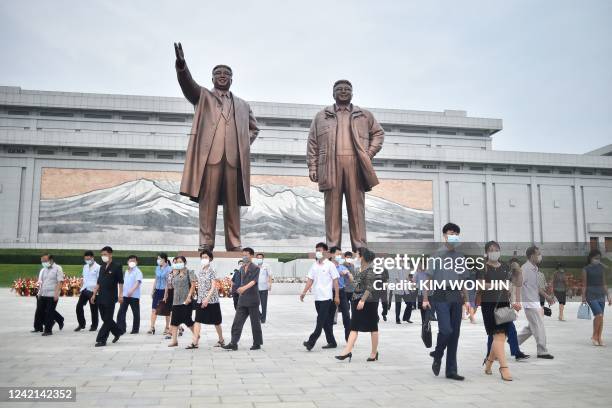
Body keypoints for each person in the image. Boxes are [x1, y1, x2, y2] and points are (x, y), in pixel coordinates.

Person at [174, 42, 260, 252]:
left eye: (227, 73)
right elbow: (188, 85)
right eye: (218, 73)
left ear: (232, 79)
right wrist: (182, 66)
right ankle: (206, 243)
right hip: (210, 158)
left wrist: (242, 143)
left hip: (233, 160)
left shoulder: (242, 104)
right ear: (212, 78)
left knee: (233, 205)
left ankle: (234, 243)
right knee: (208, 202)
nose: (222, 76)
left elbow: (254, 129)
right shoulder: (203, 96)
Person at [306, 79, 385, 250]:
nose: (343, 91)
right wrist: (312, 166)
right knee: (332, 209)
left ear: (352, 93)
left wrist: (368, 153)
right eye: (339, 89)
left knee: (356, 208)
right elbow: (312, 142)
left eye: (347, 89)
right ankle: (333, 247)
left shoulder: (364, 115)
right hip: (329, 166)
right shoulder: (321, 116)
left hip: (356, 166)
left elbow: (378, 133)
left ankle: (360, 247)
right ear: (333, 93)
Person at [423, 222, 470, 381]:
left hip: (456, 296)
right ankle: (438, 353)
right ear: (444, 235)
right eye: (451, 233)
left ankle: (451, 370)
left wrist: (467, 301)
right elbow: (428, 279)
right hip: (440, 296)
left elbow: (463, 280)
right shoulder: (436, 255)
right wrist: (424, 299)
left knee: (455, 334)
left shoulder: (460, 257)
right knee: (447, 330)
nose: (454, 236)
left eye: (456, 233)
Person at [479, 241, 521, 381]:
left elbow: (515, 284)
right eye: (491, 249)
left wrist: (518, 270)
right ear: (486, 252)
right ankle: (504, 368)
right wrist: (499, 285)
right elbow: (480, 286)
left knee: (500, 337)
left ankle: (489, 363)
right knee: (499, 336)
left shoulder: (505, 267)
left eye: (496, 249)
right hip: (489, 306)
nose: (494, 251)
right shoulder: (483, 267)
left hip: (504, 305)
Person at [335, 247, 380, 362]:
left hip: (369, 302)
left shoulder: (371, 269)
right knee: (354, 326)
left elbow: (370, 287)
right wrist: (348, 274)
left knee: (373, 328)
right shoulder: (358, 269)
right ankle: (347, 351)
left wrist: (363, 300)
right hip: (357, 300)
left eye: (357, 255)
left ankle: (374, 353)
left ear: (362, 256)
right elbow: (356, 284)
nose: (355, 257)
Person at [484, 257, 530, 361]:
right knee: (494, 331)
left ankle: (515, 352)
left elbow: (518, 284)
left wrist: (519, 271)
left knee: (510, 330)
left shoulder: (510, 275)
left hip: (503, 306)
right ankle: (491, 354)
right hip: (493, 305)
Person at [300, 242, 340, 350]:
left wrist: (337, 296)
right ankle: (332, 342)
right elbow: (310, 280)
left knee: (320, 320)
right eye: (317, 250)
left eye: (320, 250)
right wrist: (304, 292)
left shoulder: (330, 265)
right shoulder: (314, 265)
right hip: (317, 297)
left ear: (326, 252)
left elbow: (335, 281)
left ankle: (311, 342)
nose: (318, 252)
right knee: (326, 322)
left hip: (327, 298)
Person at [518, 246, 555, 359]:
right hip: (529, 301)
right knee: (539, 325)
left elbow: (536, 287)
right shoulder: (525, 269)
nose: (540, 256)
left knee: (532, 326)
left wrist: (547, 296)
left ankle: (514, 341)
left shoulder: (535, 268)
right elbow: (518, 284)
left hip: (535, 301)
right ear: (531, 256)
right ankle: (542, 351)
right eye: (538, 254)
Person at [223, 248, 263, 351]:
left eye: (246, 255)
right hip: (242, 300)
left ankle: (257, 343)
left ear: (251, 256)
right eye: (243, 255)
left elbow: (254, 281)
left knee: (255, 323)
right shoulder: (241, 268)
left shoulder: (256, 268)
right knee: (237, 322)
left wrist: (243, 288)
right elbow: (238, 282)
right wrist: (235, 289)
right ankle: (233, 343)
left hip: (253, 299)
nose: (244, 257)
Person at [189, 250, 225, 349]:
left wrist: (207, 299)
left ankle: (221, 340)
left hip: (212, 300)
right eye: (202, 257)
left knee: (216, 322)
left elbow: (213, 286)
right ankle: (195, 342)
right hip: (200, 300)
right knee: (197, 320)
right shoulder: (200, 271)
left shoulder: (212, 270)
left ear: (210, 259)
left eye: (206, 257)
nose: (204, 259)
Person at [91, 246, 124, 347]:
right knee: (105, 318)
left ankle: (101, 339)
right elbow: (98, 282)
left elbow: (121, 282)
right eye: (102, 255)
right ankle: (118, 331)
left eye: (105, 254)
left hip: (111, 297)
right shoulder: (101, 267)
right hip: (101, 296)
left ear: (110, 254)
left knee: (107, 318)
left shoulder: (117, 266)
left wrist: (120, 295)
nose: (103, 256)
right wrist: (93, 294)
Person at [582, 249, 611, 346]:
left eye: (599, 258)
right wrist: (583, 297)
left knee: (600, 317)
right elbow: (584, 284)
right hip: (590, 295)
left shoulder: (601, 269)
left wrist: (608, 295)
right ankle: (594, 336)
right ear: (591, 258)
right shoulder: (585, 269)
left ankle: (599, 338)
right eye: (595, 258)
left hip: (601, 295)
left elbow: (604, 283)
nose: (597, 260)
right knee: (598, 315)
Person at [168, 256, 196, 347]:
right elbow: (171, 286)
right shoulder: (175, 274)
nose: (178, 263)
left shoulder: (189, 272)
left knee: (187, 320)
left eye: (180, 261)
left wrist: (189, 297)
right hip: (176, 301)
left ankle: (196, 335)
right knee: (174, 321)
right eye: (177, 262)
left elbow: (193, 285)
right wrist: (173, 274)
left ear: (185, 262)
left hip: (186, 301)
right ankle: (174, 341)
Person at [34, 254, 65, 336]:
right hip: (43, 294)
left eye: (44, 261)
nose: (43, 262)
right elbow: (42, 282)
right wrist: (39, 292)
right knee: (40, 311)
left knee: (49, 312)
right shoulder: (44, 269)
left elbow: (60, 281)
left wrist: (56, 293)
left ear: (50, 260)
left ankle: (48, 330)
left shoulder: (58, 268)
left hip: (52, 294)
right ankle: (59, 319)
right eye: (42, 261)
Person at [329, 246, 351, 340]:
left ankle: (348, 338)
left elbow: (351, 280)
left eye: (340, 254)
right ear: (332, 254)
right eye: (337, 254)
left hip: (342, 292)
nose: (339, 256)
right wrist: (339, 274)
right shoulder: (327, 266)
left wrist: (348, 274)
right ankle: (331, 340)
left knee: (346, 315)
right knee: (330, 317)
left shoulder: (342, 267)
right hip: (330, 293)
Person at [117, 255, 143, 334]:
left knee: (135, 313)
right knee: (121, 312)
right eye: (131, 261)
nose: (132, 262)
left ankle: (135, 329)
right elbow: (122, 283)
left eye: (134, 261)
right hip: (125, 295)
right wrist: (120, 294)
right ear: (128, 262)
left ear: (136, 262)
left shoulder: (138, 271)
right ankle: (122, 328)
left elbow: (138, 282)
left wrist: (131, 290)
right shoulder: (126, 271)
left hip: (134, 296)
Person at [75, 250, 99, 332]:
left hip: (93, 291)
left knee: (94, 309)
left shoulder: (98, 267)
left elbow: (99, 281)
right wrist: (81, 287)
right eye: (86, 259)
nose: (87, 260)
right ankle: (81, 324)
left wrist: (95, 293)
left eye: (89, 258)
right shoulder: (85, 266)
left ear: (93, 258)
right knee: (78, 307)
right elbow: (83, 277)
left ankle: (94, 325)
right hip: (85, 290)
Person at [149, 252, 172, 335]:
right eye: (157, 259)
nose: (158, 260)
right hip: (157, 290)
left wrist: (166, 294)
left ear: (164, 259)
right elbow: (156, 279)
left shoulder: (169, 269)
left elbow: (168, 282)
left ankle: (167, 327)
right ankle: (152, 327)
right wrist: (153, 290)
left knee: (166, 310)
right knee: (154, 309)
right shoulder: (157, 268)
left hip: (165, 290)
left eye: (160, 259)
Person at [255, 253, 272, 323]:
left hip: (264, 288)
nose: (259, 259)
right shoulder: (254, 266)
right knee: (255, 304)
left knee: (264, 304)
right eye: (258, 258)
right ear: (256, 258)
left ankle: (263, 319)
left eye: (260, 258)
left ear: (263, 258)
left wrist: (270, 284)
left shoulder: (266, 266)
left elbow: (270, 275)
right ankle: (260, 315)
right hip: (255, 289)